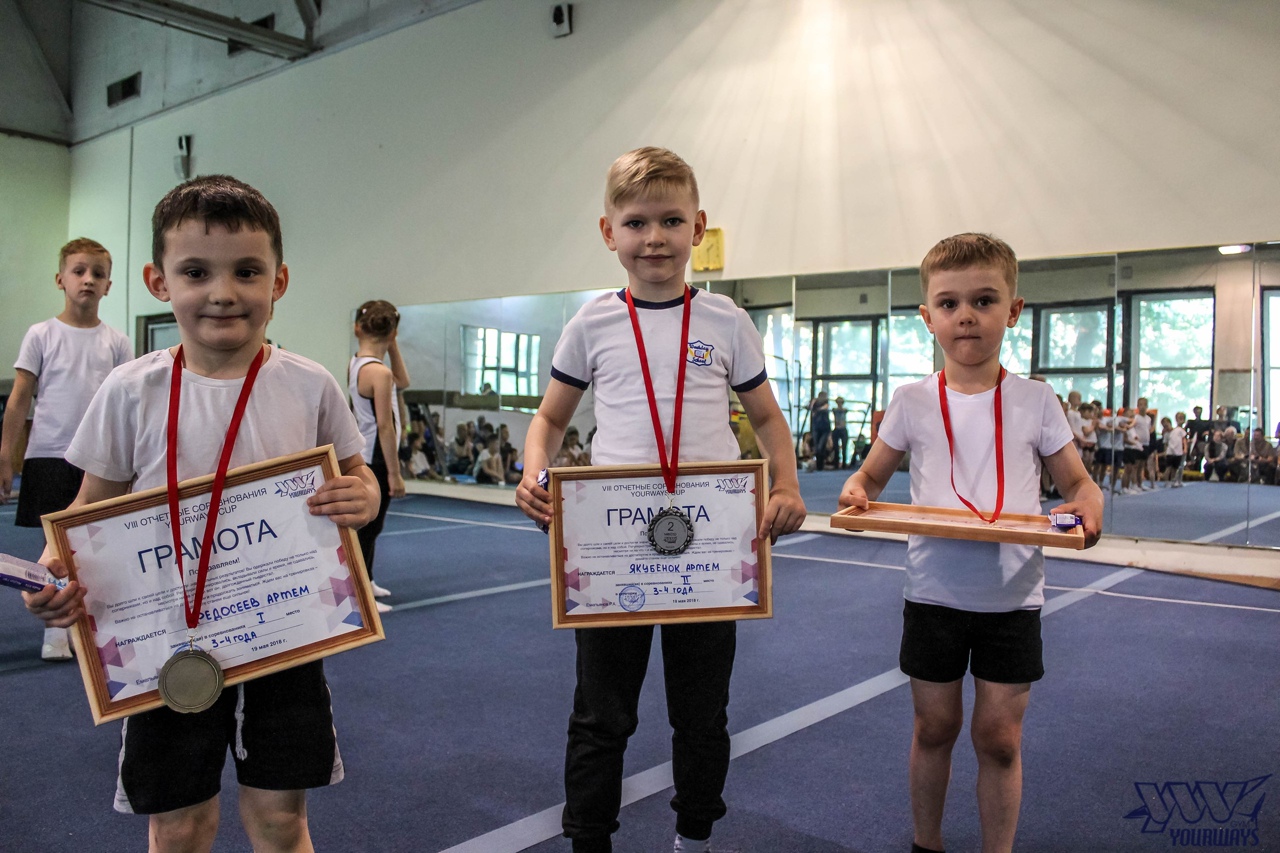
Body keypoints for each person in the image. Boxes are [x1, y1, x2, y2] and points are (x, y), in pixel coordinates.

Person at [22, 175, 379, 852]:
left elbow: (359, 474)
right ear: (158, 281)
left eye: (247, 271)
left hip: (284, 633)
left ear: (279, 281)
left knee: (281, 821)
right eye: (195, 272)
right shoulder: (130, 389)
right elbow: (89, 509)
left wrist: (365, 497)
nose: (222, 292)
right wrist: (53, 570)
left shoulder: (309, 383)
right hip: (168, 640)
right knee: (180, 826)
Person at [515, 147, 806, 853]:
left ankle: (694, 836)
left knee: (702, 714)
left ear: (698, 227)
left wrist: (788, 484)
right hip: (612, 545)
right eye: (636, 222)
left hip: (709, 544)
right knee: (601, 715)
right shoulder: (591, 323)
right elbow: (549, 419)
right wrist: (533, 471)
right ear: (608, 232)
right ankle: (589, 840)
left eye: (672, 221)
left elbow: (767, 418)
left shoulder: (726, 320)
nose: (654, 238)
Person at [838, 233, 1102, 853]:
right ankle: (925, 844)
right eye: (949, 303)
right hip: (934, 594)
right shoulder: (910, 401)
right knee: (934, 727)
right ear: (927, 317)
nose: (966, 316)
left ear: (1013, 311)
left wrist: (1089, 500)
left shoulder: (1036, 400)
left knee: (1000, 739)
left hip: (1012, 599)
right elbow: (867, 479)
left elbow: (1078, 483)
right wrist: (855, 491)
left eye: (984, 301)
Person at [0, 237, 132, 661]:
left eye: (98, 273)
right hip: (49, 454)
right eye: (79, 271)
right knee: (56, 548)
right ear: (60, 279)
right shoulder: (41, 334)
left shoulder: (117, 342)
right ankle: (56, 630)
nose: (88, 280)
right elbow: (19, 399)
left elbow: (127, 405)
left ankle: (92, 626)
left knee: (97, 546)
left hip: (100, 459)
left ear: (109, 285)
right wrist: (5, 455)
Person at [349, 299, 409, 613]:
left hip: (366, 451)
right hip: (376, 456)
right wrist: (394, 474)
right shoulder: (380, 373)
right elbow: (385, 426)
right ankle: (360, 593)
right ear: (392, 332)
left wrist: (391, 345)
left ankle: (367, 579)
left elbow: (404, 382)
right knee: (369, 527)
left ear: (357, 328)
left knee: (372, 526)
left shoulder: (357, 363)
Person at [1160, 415, 1187, 487]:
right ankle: (1166, 481)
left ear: (1170, 423)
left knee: (1175, 468)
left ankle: (1173, 480)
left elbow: (1184, 439)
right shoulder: (1166, 434)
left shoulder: (1178, 430)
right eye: (1164, 426)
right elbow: (1165, 444)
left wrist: (1185, 448)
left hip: (1178, 452)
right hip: (1170, 452)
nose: (1166, 427)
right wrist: (1165, 452)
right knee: (1168, 468)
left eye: (1167, 425)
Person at [809, 390, 831, 470]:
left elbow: (825, 407)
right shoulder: (815, 403)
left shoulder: (826, 403)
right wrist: (813, 403)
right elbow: (810, 409)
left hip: (825, 428)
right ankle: (819, 465)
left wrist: (817, 410)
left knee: (821, 446)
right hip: (816, 427)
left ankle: (821, 465)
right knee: (817, 446)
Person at [831, 396, 850, 468]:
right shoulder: (835, 410)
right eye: (838, 402)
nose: (839, 404)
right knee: (836, 448)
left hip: (843, 429)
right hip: (836, 429)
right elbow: (834, 410)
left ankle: (844, 464)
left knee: (844, 448)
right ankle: (836, 464)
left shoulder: (844, 410)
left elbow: (844, 410)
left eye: (840, 402)